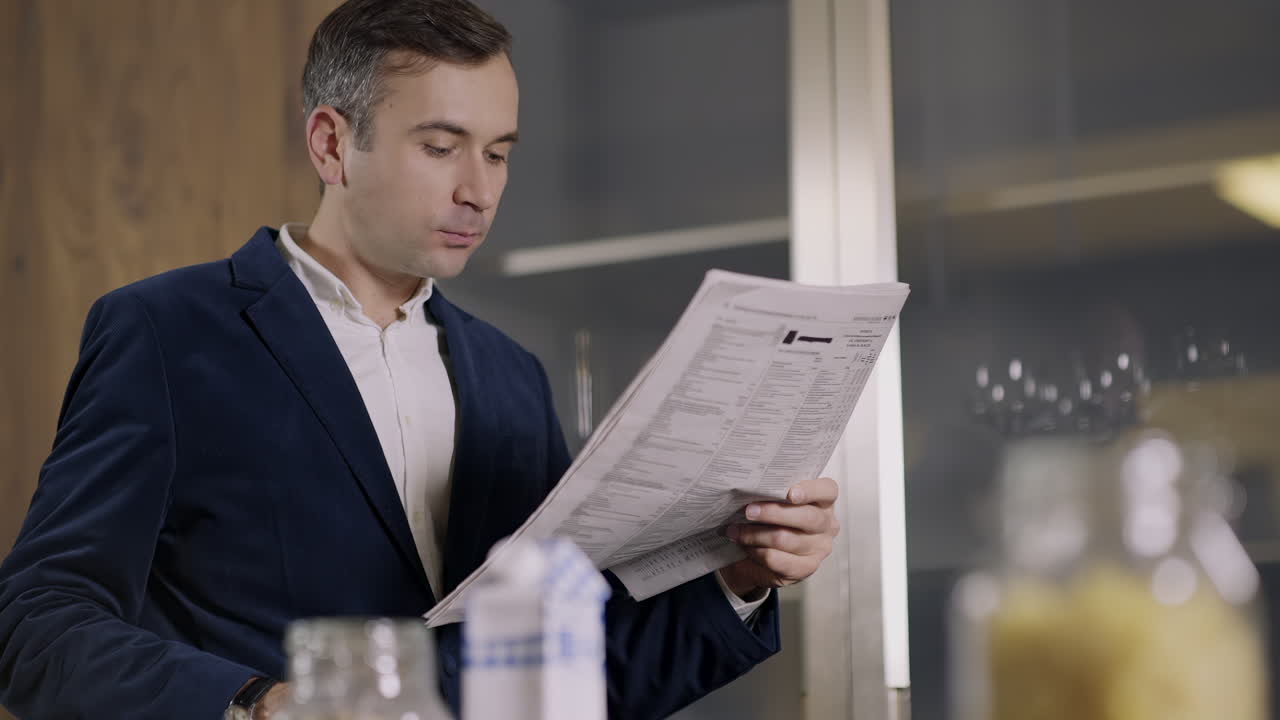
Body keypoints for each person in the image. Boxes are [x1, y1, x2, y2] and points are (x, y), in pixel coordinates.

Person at [0, 1, 841, 718]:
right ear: (331, 145)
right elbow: (36, 622)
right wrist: (256, 702)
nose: (479, 189)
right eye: (442, 147)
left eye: (500, 152)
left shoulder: (512, 375)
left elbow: (578, 670)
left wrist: (737, 577)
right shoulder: (164, 331)